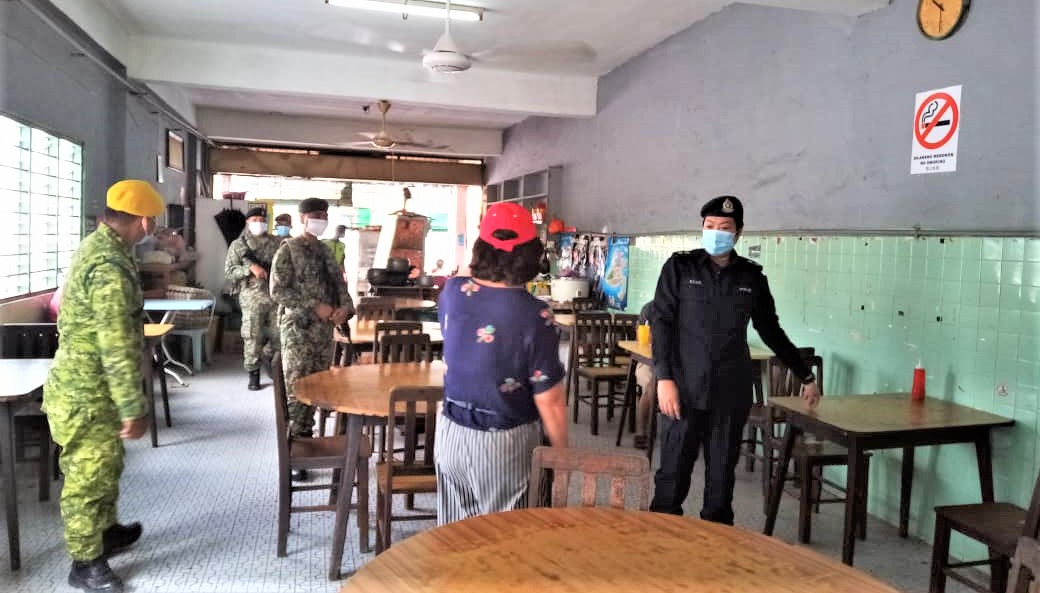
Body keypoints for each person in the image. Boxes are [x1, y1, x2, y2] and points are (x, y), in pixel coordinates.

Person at [649, 195, 821, 524]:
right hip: (683, 390)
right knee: (671, 479)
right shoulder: (680, 267)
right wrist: (664, 379)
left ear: (738, 233)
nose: (716, 232)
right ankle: (661, 546)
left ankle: (716, 550)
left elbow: (771, 331)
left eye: (724, 227)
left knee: (720, 485)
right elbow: (662, 323)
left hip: (729, 393)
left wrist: (806, 375)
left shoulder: (751, 277)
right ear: (702, 228)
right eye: (710, 226)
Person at [43, 179, 165, 593]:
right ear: (143, 221)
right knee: (87, 476)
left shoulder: (100, 247)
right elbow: (113, 344)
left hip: (92, 386)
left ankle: (106, 532)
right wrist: (133, 407)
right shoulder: (109, 266)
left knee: (107, 465)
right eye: (152, 221)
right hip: (87, 392)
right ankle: (85, 562)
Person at [435, 202, 568, 525]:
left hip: (450, 432)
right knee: (508, 537)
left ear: (480, 247)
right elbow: (549, 399)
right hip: (504, 442)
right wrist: (563, 456)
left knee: (454, 534)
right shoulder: (535, 314)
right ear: (531, 254)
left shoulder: (453, 291)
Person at [270, 198, 354, 473]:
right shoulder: (289, 249)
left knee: (318, 387)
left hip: (323, 333)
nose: (321, 219)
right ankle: (295, 448)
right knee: (298, 388)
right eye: (316, 215)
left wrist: (345, 308)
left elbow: (340, 285)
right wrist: (314, 306)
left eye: (324, 215)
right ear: (302, 218)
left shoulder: (326, 250)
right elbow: (278, 291)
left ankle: (307, 437)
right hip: (298, 331)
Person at [224, 207, 280, 391]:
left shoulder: (277, 243)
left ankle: (272, 363)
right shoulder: (238, 245)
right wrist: (249, 269)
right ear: (247, 222)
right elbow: (229, 271)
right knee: (252, 336)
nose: (259, 223)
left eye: (262, 220)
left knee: (278, 335)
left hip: (275, 296)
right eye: (254, 219)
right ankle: (253, 373)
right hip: (251, 297)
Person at [632, 301, 656, 450]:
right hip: (647, 360)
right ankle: (642, 432)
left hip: (675, 363)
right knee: (652, 384)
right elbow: (642, 338)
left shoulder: (684, 308)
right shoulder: (649, 309)